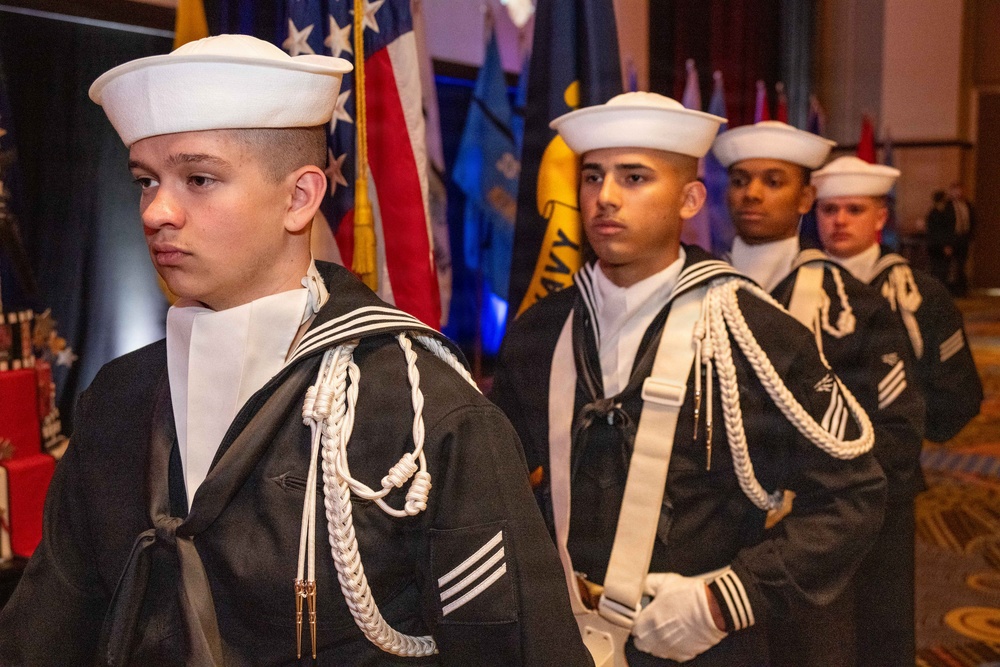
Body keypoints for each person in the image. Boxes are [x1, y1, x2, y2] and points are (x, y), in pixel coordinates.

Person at [0, 35, 590, 666]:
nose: (157, 211)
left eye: (199, 178)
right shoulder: (119, 397)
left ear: (300, 198)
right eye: (147, 180)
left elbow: (520, 650)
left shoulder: (423, 413)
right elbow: (43, 635)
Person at [491, 92, 886, 666]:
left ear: (689, 198)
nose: (605, 197)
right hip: (561, 636)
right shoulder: (541, 331)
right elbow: (496, 485)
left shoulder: (753, 332)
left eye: (634, 178)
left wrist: (730, 599)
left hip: (703, 643)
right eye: (593, 176)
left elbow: (853, 493)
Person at [713, 122, 925, 666]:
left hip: (815, 549)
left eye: (773, 180)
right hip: (713, 540)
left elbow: (895, 434)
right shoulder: (697, 292)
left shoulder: (853, 308)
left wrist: (817, 522)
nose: (752, 194)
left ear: (807, 196)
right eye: (740, 180)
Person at [812, 156, 983, 664]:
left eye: (853, 209)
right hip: (808, 487)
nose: (839, 221)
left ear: (880, 217)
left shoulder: (917, 295)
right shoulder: (792, 292)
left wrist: (900, 433)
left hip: (888, 484)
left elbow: (959, 396)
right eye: (828, 209)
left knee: (881, 622)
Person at [945, 182, 976, 296]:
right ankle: (950, 290)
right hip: (953, 239)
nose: (959, 193)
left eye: (960, 190)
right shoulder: (947, 206)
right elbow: (946, 226)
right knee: (950, 266)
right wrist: (947, 243)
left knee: (962, 265)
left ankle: (962, 290)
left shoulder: (968, 205)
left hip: (964, 239)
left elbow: (972, 222)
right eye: (956, 190)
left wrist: (971, 237)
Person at [925, 190, 953, 286]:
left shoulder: (934, 213)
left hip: (935, 245)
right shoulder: (937, 214)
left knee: (939, 270)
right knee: (939, 270)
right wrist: (945, 245)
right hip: (938, 246)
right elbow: (939, 231)